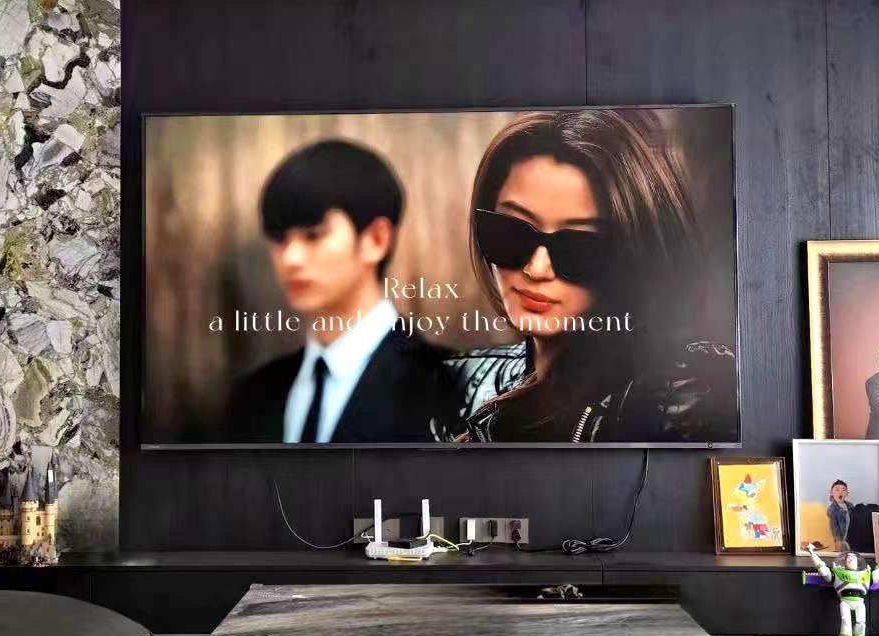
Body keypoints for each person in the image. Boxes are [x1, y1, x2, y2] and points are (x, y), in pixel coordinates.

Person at [454, 109, 737, 443]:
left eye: (578, 248)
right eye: (511, 232)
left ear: (634, 255)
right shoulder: (469, 383)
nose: (536, 269)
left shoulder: (681, 397)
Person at [228, 139, 463, 444]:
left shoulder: (453, 390)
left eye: (313, 236)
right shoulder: (254, 395)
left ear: (376, 240)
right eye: (280, 239)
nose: (290, 259)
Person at [806, 543, 879, 636]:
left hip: (860, 602)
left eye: (853, 558)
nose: (851, 560)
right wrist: (812, 554)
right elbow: (823, 570)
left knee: (861, 622)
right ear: (844, 562)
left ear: (857, 562)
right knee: (846, 620)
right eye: (848, 558)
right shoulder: (838, 573)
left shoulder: (866, 574)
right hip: (845, 601)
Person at [826, 480, 851, 547]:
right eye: (837, 490)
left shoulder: (850, 505)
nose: (840, 492)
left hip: (851, 539)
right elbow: (834, 528)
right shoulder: (832, 509)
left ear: (847, 493)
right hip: (841, 541)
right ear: (831, 493)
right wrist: (839, 541)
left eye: (843, 490)